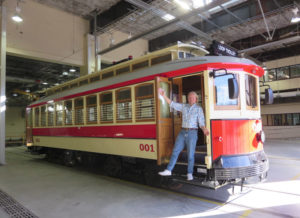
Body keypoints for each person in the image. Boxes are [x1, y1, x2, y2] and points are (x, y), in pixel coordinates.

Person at [158, 88, 209, 181]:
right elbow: (172, 104)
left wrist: (204, 129)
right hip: (182, 132)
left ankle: (189, 173)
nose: (191, 99)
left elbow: (201, 122)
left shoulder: (199, 109)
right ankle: (169, 170)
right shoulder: (184, 106)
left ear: (196, 99)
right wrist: (163, 95)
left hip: (192, 133)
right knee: (175, 151)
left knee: (190, 155)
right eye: (189, 97)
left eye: (193, 98)